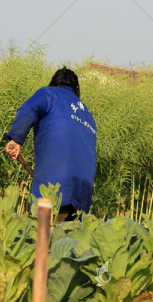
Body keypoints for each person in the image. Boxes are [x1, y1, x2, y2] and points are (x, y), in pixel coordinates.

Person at [5, 67, 97, 222]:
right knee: (69, 236)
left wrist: (16, 139)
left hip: (56, 178)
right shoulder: (88, 115)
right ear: (77, 89)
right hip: (84, 187)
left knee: (42, 232)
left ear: (55, 84)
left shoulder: (49, 94)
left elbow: (29, 108)